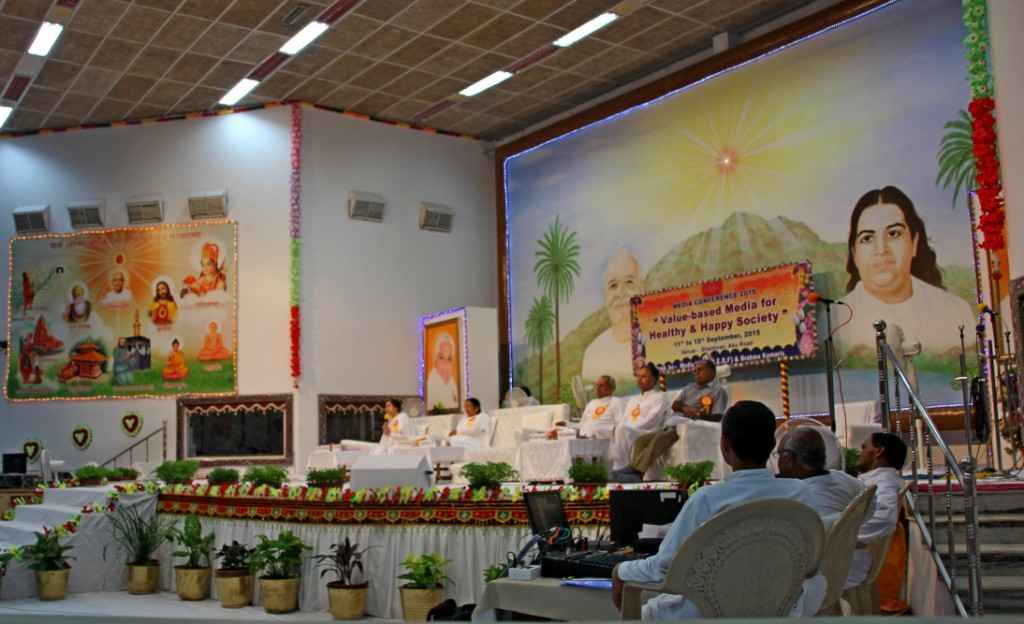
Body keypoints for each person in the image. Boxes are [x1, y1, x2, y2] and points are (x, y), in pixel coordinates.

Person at [611, 401, 827, 619]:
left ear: (724, 445)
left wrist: (620, 571)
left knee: (649, 608)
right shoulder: (801, 495)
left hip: (711, 615)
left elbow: (664, 568)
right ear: (772, 444)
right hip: (780, 611)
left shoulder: (707, 499)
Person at [838, 186, 974, 353]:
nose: (881, 249)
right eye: (867, 238)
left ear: (914, 243)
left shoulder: (956, 311)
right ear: (855, 253)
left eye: (894, 234)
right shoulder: (835, 320)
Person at [847, 432, 907, 589]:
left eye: (864, 447)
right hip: (848, 555)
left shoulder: (885, 482)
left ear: (879, 451)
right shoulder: (877, 479)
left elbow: (885, 519)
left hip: (850, 561)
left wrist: (842, 536)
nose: (860, 452)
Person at [582, 249, 645, 383]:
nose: (620, 293)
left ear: (642, 289)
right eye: (613, 285)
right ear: (605, 296)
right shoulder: (593, 354)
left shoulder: (660, 340)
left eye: (629, 282)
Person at [776, 428, 865, 516]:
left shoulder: (803, 501)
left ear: (789, 458)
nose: (778, 460)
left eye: (779, 454)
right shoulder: (845, 478)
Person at [612, 363, 669, 481]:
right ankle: (619, 470)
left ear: (654, 380)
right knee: (619, 428)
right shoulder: (633, 399)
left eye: (644, 376)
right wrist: (622, 426)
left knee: (623, 429)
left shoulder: (659, 397)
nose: (640, 380)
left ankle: (623, 469)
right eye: (638, 376)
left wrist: (630, 427)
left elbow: (653, 419)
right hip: (630, 429)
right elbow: (624, 419)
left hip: (647, 431)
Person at [554, 375, 622, 439]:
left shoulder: (616, 402)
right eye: (597, 385)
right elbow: (582, 425)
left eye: (601, 386)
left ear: (611, 388)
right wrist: (567, 424)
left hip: (602, 439)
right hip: (584, 437)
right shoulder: (591, 403)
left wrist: (600, 430)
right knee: (559, 432)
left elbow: (620, 426)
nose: (597, 388)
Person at [426, 332, 460, 411]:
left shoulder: (452, 382)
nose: (446, 363)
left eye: (449, 359)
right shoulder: (431, 382)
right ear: (435, 359)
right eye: (441, 357)